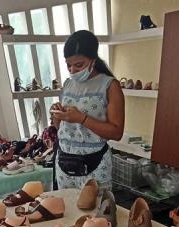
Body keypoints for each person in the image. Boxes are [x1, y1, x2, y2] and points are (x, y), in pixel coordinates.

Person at [51, 30, 124, 191]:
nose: (73, 70)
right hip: (64, 161)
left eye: (79, 65)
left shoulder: (109, 86)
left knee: (96, 213)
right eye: (68, 65)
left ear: (93, 60)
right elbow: (61, 128)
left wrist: (81, 118)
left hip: (94, 164)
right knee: (66, 212)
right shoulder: (68, 84)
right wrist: (58, 115)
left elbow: (116, 133)